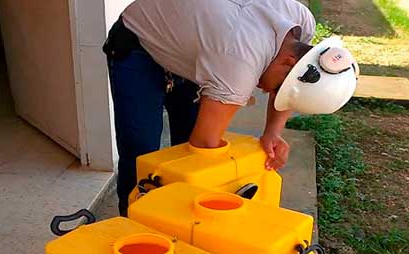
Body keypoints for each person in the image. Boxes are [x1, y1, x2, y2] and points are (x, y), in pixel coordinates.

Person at [104, 0, 358, 215]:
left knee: (185, 148)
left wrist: (273, 131)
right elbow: (204, 144)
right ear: (289, 61)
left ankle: (175, 222)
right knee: (141, 152)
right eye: (277, 88)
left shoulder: (300, 22)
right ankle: (133, 224)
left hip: (198, 47)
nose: (269, 92)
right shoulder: (237, 63)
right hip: (140, 44)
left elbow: (294, 79)